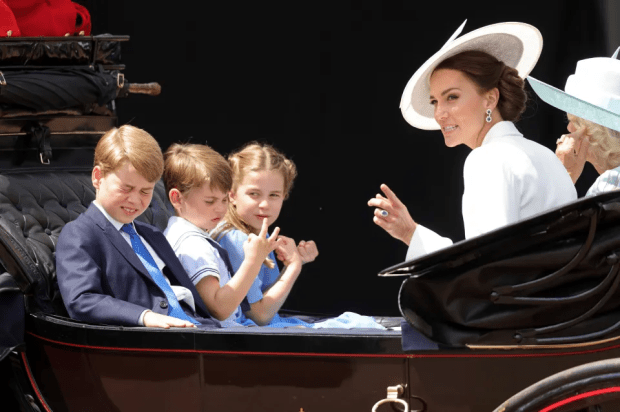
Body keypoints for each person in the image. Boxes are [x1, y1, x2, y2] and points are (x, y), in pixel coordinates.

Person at [367, 21, 577, 261]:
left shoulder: (486, 158)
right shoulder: (546, 156)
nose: (439, 113)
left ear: (490, 99)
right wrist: (411, 233)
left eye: (452, 97)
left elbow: (484, 267)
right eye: (435, 101)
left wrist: (412, 235)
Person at [56, 125, 219, 329]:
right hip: (152, 341)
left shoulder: (151, 234)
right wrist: (145, 317)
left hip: (202, 328)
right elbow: (82, 299)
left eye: (145, 191)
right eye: (126, 188)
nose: (134, 200)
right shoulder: (80, 233)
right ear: (98, 177)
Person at [162, 143, 281, 327]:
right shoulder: (193, 245)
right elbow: (220, 308)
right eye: (210, 201)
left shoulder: (183, 232)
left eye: (225, 199)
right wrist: (253, 260)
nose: (221, 208)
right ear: (177, 198)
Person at [211, 142, 319, 327]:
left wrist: (296, 261)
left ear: (284, 195)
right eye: (254, 194)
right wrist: (293, 268)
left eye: (274, 195)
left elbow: (266, 300)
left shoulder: (257, 233)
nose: (265, 205)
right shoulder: (238, 240)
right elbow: (259, 315)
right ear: (232, 194)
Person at [527, 48, 620, 196]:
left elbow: (555, 219)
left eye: (576, 121)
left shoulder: (609, 186)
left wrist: (565, 175)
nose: (569, 128)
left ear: (599, 133)